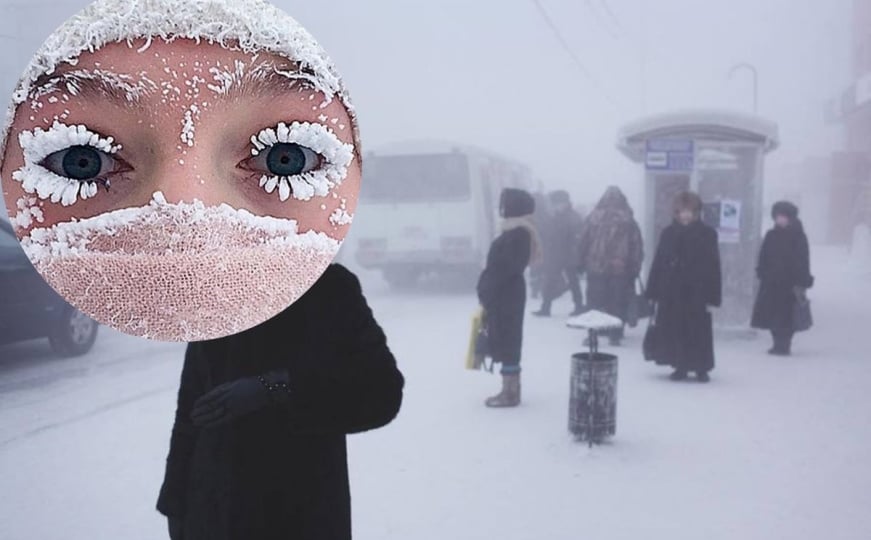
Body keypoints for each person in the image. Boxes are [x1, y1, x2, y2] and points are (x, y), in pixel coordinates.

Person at [157, 265, 405, 540]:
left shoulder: (328, 288)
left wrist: (274, 388)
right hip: (213, 510)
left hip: (300, 513)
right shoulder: (217, 288)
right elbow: (191, 406)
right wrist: (176, 504)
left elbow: (383, 392)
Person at [645, 191, 722, 382]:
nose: (685, 215)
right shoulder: (668, 233)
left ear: (696, 212)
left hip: (698, 291)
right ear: (676, 213)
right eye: (681, 211)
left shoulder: (707, 234)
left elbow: (714, 265)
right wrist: (653, 291)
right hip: (672, 291)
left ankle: (701, 367)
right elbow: (659, 262)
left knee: (699, 330)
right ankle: (680, 365)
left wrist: (713, 295)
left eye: (689, 211)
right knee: (675, 329)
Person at [477, 188, 541, 407]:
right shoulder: (516, 230)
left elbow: (506, 267)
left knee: (508, 338)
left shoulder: (519, 232)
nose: (501, 207)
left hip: (507, 293)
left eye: (505, 203)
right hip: (506, 292)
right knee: (506, 336)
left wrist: (488, 286)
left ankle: (511, 392)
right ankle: (509, 388)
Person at [576, 186, 644, 345]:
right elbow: (637, 246)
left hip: (595, 267)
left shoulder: (593, 218)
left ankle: (592, 335)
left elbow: (582, 242)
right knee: (617, 302)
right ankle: (615, 334)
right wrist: (635, 267)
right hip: (620, 268)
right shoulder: (628, 220)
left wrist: (580, 262)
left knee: (594, 302)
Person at [751, 201, 814, 356]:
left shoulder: (799, 236)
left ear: (790, 218)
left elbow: (803, 259)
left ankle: (784, 344)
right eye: (778, 216)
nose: (780, 220)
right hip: (771, 282)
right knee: (771, 314)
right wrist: (762, 271)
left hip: (790, 284)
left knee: (787, 316)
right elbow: (763, 255)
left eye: (784, 217)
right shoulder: (771, 235)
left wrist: (802, 280)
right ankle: (776, 343)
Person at [533, 190, 585, 317]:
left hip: (569, 256)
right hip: (557, 255)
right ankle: (545, 308)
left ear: (565, 203)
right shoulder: (557, 217)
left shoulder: (573, 217)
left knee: (573, 282)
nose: (555, 206)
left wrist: (576, 256)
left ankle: (579, 306)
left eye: (557, 203)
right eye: (554, 204)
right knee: (550, 281)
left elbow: (578, 239)